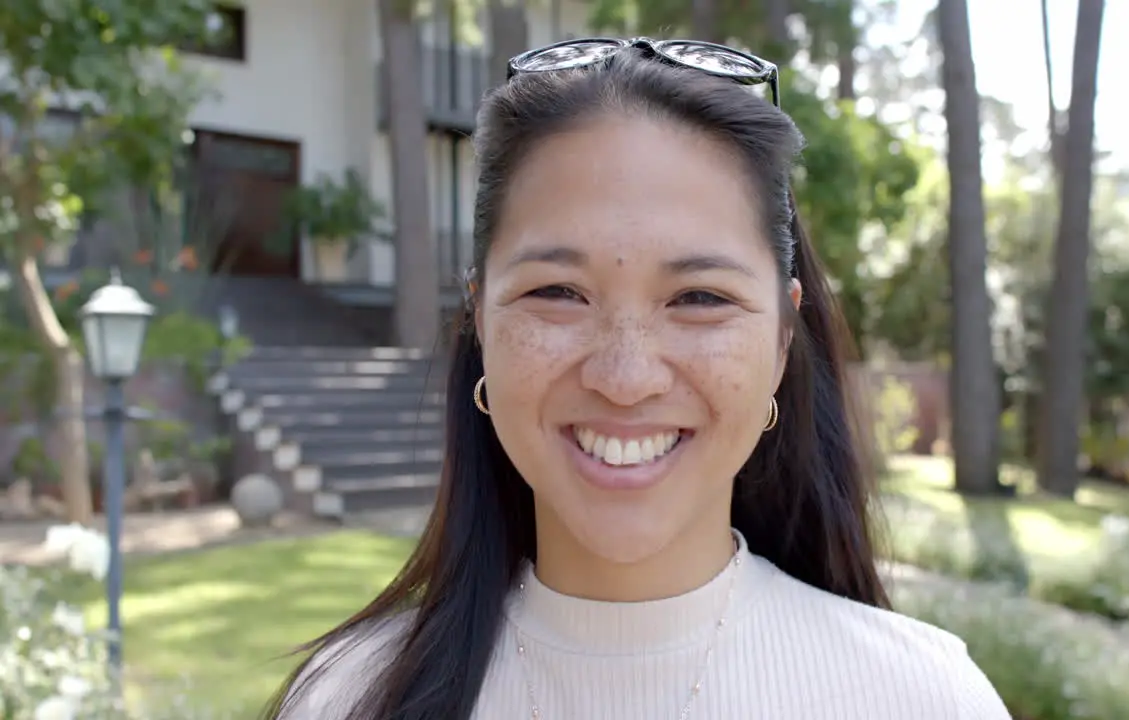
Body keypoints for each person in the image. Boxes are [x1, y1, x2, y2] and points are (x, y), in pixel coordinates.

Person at [265, 37, 1010, 720]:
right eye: (557, 293)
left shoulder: (921, 697)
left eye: (699, 299)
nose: (625, 378)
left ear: (782, 338)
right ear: (481, 322)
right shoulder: (348, 699)